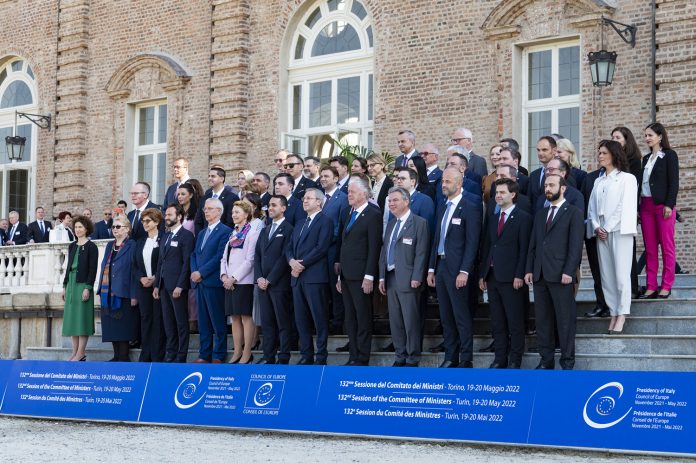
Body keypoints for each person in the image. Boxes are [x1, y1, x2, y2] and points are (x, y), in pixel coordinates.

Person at [524, 175, 584, 370]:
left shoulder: (573, 212)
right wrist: (529, 269)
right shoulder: (541, 214)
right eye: (546, 185)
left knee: (565, 321)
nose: (547, 188)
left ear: (563, 188)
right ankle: (546, 360)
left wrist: (569, 271)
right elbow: (532, 244)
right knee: (543, 320)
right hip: (540, 275)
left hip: (562, 276)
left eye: (551, 185)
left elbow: (575, 246)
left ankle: (567, 362)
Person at [427, 167, 481, 368]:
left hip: (458, 269)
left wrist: (465, 270)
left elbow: (472, 242)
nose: (444, 184)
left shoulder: (470, 206)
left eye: (448, 181)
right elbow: (437, 239)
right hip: (441, 267)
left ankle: (466, 358)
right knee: (446, 315)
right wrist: (431, 269)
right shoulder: (442, 205)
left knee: (461, 315)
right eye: (443, 181)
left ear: (459, 184)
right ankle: (451, 356)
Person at [479, 179, 531, 369]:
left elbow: (524, 249)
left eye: (502, 192)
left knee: (514, 321)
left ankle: (515, 359)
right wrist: (482, 275)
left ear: (513, 194)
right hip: (492, 277)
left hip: (512, 278)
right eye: (496, 193)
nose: (498, 196)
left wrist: (520, 274)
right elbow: (487, 247)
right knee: (498, 321)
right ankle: (500, 358)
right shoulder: (493, 218)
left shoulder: (523, 217)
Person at [587, 140, 638, 334]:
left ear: (614, 155)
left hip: (619, 231)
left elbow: (624, 206)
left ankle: (622, 314)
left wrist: (607, 227)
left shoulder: (627, 179)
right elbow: (592, 208)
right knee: (607, 276)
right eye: (599, 152)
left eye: (604, 153)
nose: (600, 156)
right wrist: (597, 227)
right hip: (602, 233)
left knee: (621, 275)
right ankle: (613, 311)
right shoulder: (598, 181)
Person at [379, 187, 430, 367]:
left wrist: (417, 276)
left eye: (395, 200)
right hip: (391, 278)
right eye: (389, 201)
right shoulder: (391, 224)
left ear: (406, 201)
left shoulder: (419, 222)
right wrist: (381, 277)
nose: (391, 204)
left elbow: (421, 253)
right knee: (396, 320)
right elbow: (384, 251)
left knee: (410, 321)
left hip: (409, 280)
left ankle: (412, 357)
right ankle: (399, 355)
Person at [336, 176, 383, 366]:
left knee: (362, 317)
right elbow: (344, 244)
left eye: (352, 192)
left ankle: (362, 357)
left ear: (364, 193)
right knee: (351, 317)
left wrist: (369, 275)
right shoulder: (350, 213)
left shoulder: (373, 214)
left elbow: (374, 248)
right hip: (347, 276)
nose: (349, 195)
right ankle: (353, 355)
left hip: (362, 275)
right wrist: (340, 275)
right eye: (348, 192)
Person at [287, 188, 333, 365]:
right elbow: (289, 247)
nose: (304, 201)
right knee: (300, 318)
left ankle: (321, 356)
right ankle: (306, 355)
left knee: (319, 317)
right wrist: (292, 262)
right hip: (297, 277)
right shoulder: (299, 223)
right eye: (304, 198)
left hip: (314, 277)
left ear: (319, 202)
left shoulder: (325, 221)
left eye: (309, 198)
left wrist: (301, 264)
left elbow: (321, 248)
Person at [638, 122, 679, 299]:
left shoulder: (670, 155)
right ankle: (651, 285)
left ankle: (666, 284)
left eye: (650, 135)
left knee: (667, 247)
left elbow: (674, 182)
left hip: (663, 207)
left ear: (660, 136)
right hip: (646, 207)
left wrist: (670, 204)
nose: (647, 138)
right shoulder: (646, 159)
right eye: (646, 135)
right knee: (650, 248)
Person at [191, 198, 233, 363]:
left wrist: (201, 272)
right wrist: (194, 271)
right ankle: (204, 354)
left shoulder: (225, 231)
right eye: (205, 209)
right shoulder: (201, 233)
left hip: (213, 281)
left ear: (219, 211)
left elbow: (219, 257)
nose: (206, 211)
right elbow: (194, 254)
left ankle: (218, 354)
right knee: (203, 321)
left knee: (217, 320)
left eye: (209, 209)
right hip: (200, 282)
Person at [255, 195, 294, 364]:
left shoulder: (289, 229)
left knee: (283, 321)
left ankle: (284, 355)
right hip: (263, 285)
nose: (270, 208)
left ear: (283, 208)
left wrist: (270, 279)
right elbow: (257, 256)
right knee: (267, 323)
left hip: (279, 284)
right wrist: (259, 278)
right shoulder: (265, 229)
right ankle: (268, 355)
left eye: (274, 205)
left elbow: (285, 256)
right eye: (269, 206)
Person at [221, 201, 262, 364]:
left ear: (246, 214)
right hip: (229, 281)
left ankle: (247, 352)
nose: (234, 215)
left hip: (243, 281)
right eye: (232, 212)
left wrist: (234, 278)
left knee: (245, 316)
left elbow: (250, 260)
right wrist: (224, 276)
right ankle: (237, 351)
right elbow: (224, 257)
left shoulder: (251, 233)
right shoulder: (233, 233)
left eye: (237, 212)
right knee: (234, 318)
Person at [153, 204, 195, 363]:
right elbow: (160, 263)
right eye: (166, 214)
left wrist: (181, 285)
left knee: (181, 322)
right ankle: (170, 353)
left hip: (177, 286)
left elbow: (186, 263)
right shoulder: (165, 236)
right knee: (168, 322)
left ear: (179, 217)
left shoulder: (186, 236)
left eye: (170, 214)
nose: (166, 217)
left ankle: (181, 354)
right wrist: (157, 284)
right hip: (163, 286)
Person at [97, 215, 139, 362]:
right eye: (113, 227)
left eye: (118, 226)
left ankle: (123, 356)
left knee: (123, 327)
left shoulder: (132, 245)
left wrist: (135, 294)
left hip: (124, 291)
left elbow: (135, 270)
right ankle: (116, 356)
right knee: (112, 327)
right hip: (108, 292)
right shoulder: (110, 245)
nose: (115, 229)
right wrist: (99, 289)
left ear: (127, 229)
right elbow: (104, 267)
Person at [612, 126, 644, 298]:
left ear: (626, 140)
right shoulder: (613, 161)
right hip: (613, 211)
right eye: (613, 137)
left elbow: (635, 188)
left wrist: (635, 211)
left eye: (617, 137)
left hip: (627, 211)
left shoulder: (634, 160)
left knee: (628, 250)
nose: (614, 140)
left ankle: (632, 287)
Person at [62, 216, 98, 361]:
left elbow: (92, 269)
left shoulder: (91, 247)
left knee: (82, 320)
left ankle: (81, 353)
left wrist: (88, 287)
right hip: (71, 285)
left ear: (86, 229)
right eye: (76, 227)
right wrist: (64, 286)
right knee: (72, 321)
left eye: (80, 227)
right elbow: (68, 267)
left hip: (83, 285)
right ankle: (74, 352)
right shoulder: (72, 246)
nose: (78, 230)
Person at [133, 208, 166, 362]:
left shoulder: (164, 239)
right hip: (143, 286)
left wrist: (155, 278)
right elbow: (134, 265)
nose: (144, 224)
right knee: (145, 319)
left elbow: (165, 262)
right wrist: (141, 278)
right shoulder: (140, 242)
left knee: (158, 320)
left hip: (159, 285)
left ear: (157, 222)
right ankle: (145, 355)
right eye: (143, 221)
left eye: (148, 221)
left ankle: (157, 355)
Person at [320, 166, 350, 335]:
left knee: (335, 288)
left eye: (326, 176)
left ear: (336, 178)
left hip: (332, 250)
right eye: (321, 176)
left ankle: (338, 322)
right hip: (318, 254)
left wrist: (323, 242)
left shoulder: (342, 198)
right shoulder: (318, 197)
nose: (323, 178)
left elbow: (340, 226)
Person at [194, 167, 240, 235]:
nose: (209, 178)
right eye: (209, 176)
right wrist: (201, 236)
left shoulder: (232, 198)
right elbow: (198, 222)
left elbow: (230, 222)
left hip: (222, 237)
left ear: (222, 179)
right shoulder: (205, 198)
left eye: (213, 176)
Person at [528, 136, 557, 209]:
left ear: (554, 150)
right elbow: (530, 201)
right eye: (538, 150)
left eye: (544, 150)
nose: (540, 153)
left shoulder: (562, 173)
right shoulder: (533, 175)